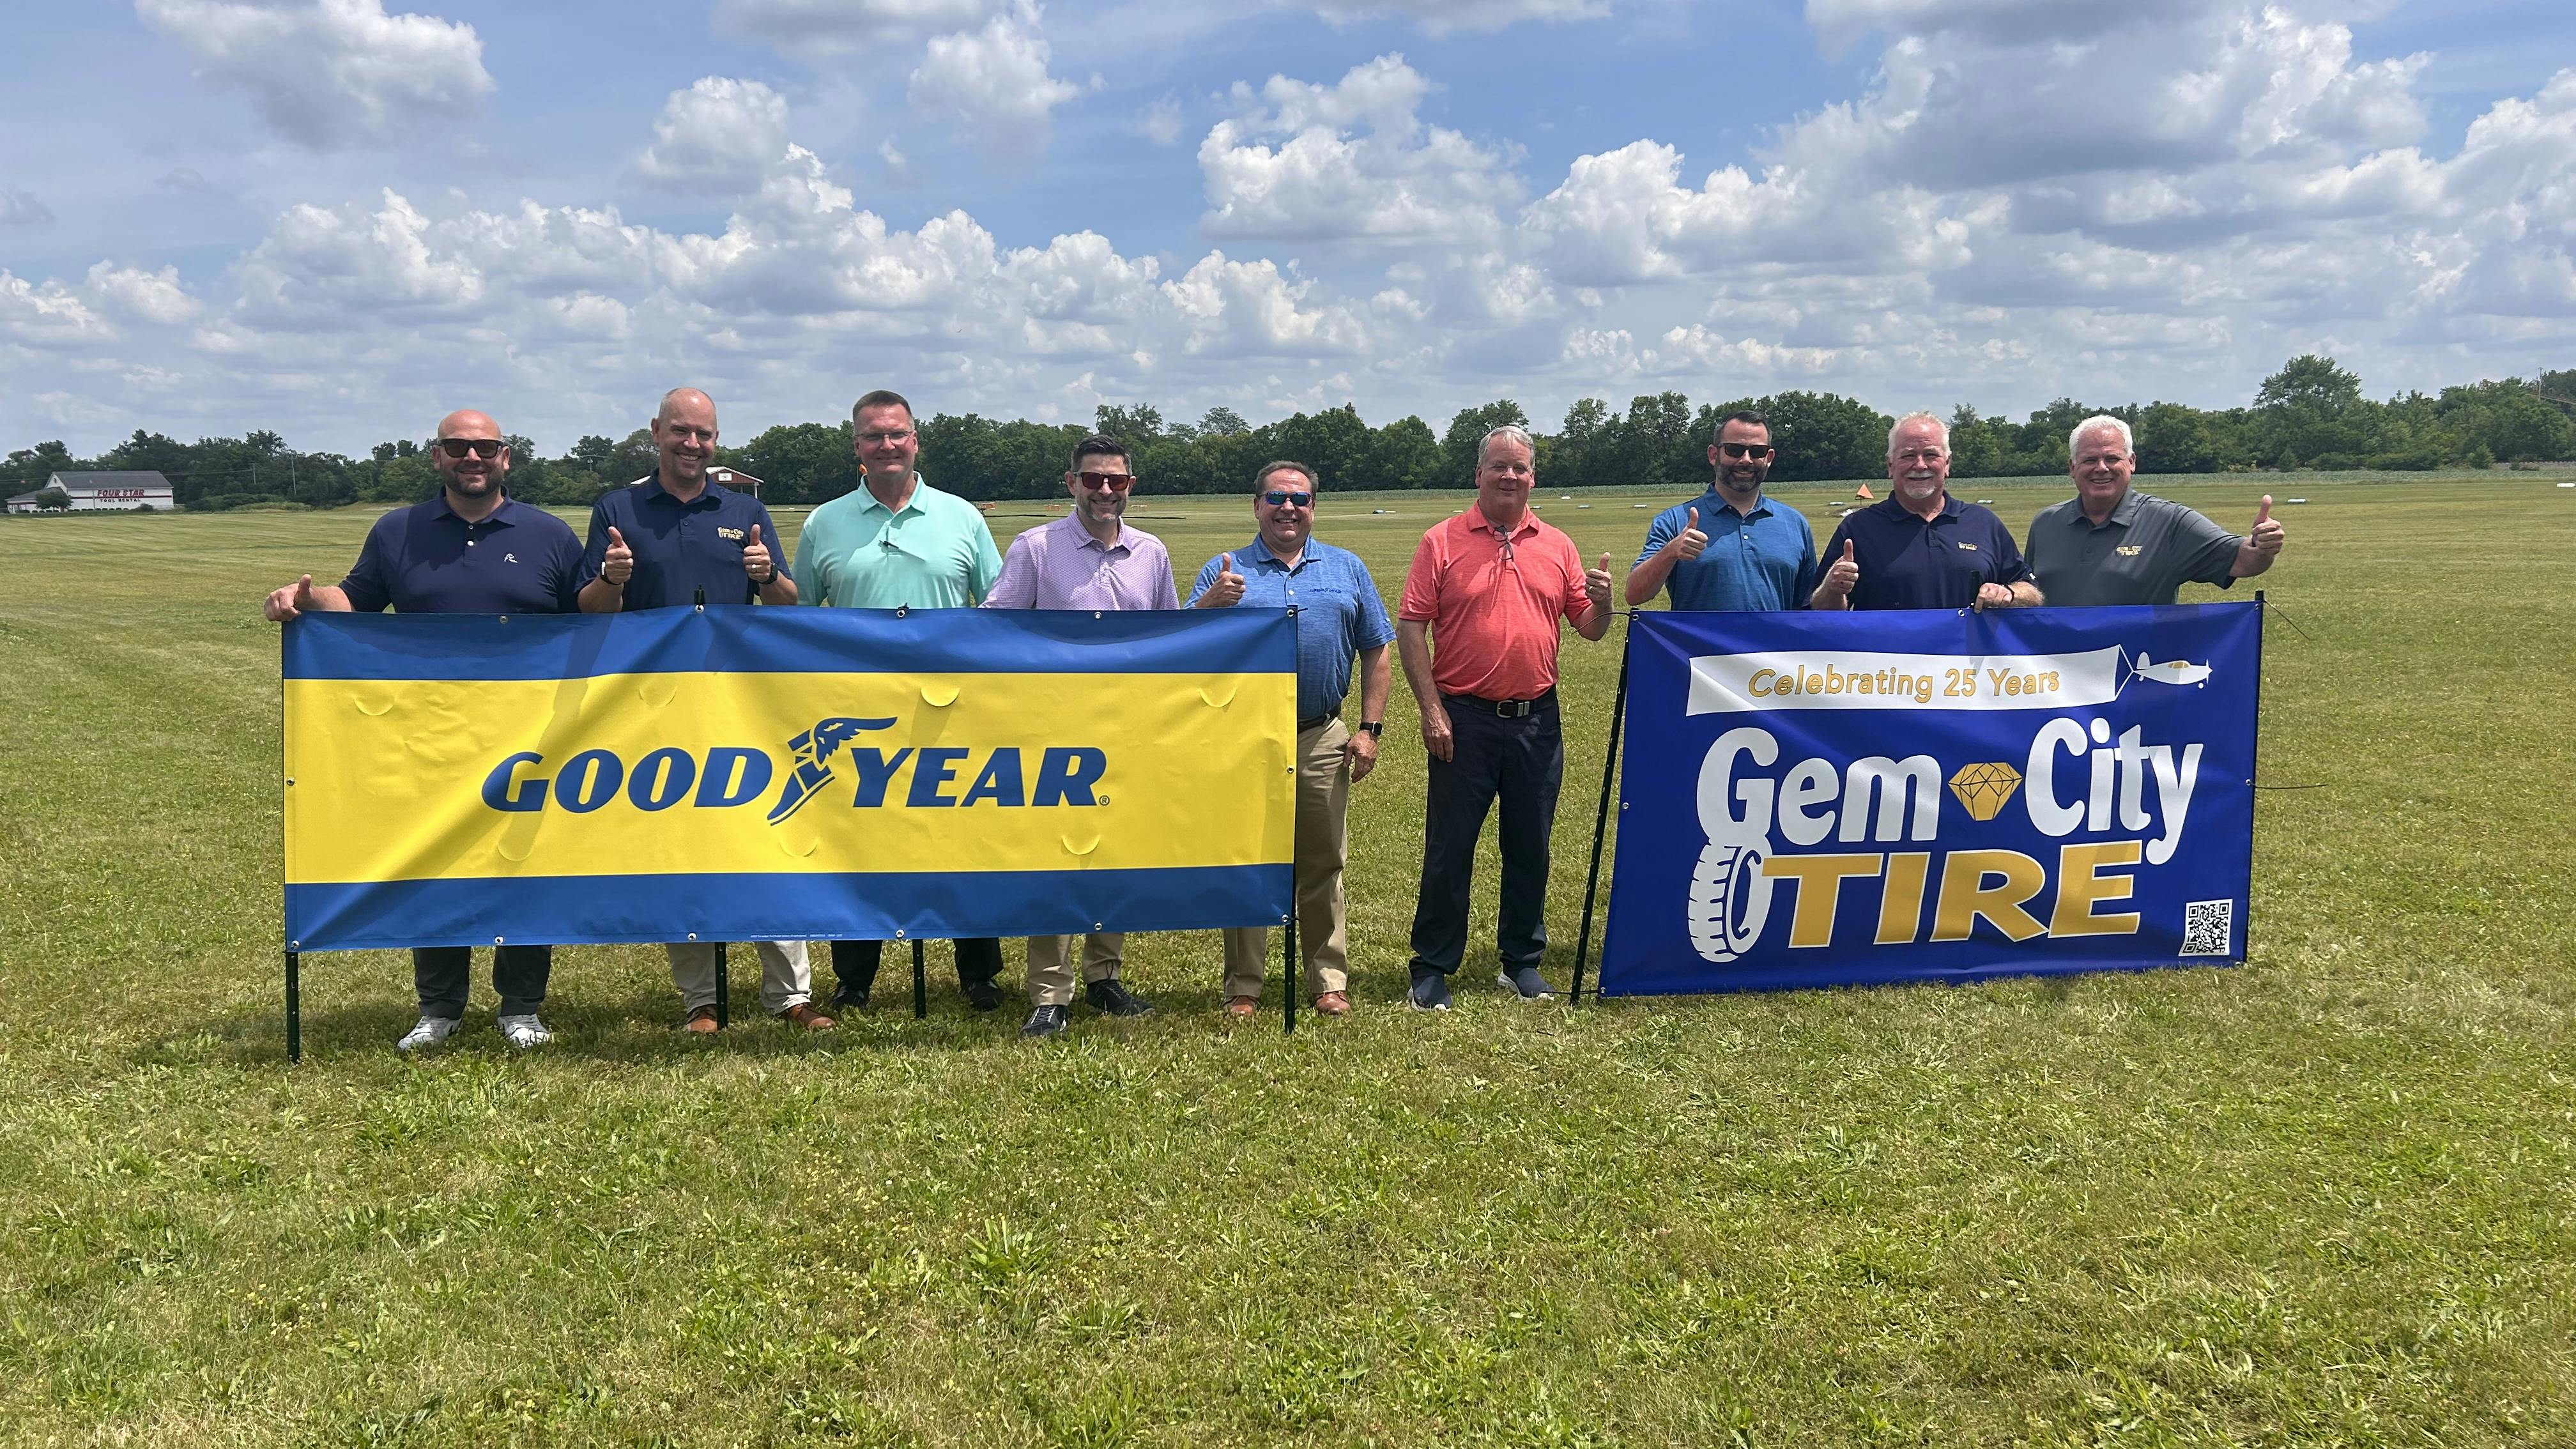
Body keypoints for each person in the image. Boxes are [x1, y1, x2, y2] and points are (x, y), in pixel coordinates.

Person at [261, 410, 582, 1054]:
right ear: (436, 456)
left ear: (506, 457)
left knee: (522, 863)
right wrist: (306, 599)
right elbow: (355, 598)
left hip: (530, 737)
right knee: (437, 863)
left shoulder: (548, 534)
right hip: (431, 732)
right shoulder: (397, 532)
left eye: (484, 447)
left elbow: (591, 619)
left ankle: (522, 1007)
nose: (472, 457)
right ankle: (438, 1008)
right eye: (458, 447)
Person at [578, 387, 833, 1035]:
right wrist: (611, 578)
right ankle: (701, 1001)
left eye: (705, 434)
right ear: (655, 432)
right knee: (682, 845)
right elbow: (587, 611)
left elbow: (786, 603)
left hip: (741, 704)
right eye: (681, 432)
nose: (693, 444)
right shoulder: (618, 508)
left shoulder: (744, 508)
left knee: (769, 837)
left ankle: (791, 997)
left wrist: (763, 574)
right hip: (655, 707)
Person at [792, 388, 1009, 1013]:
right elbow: (801, 617)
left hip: (951, 709)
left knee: (963, 842)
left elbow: (995, 608)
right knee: (859, 843)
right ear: (856, 447)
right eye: (873, 436)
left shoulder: (961, 516)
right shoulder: (824, 523)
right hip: (860, 715)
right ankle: (855, 977)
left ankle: (979, 972)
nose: (886, 445)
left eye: (897, 434)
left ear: (915, 441)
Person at [1395, 425, 1614, 1010]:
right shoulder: (1440, 541)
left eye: (1520, 468)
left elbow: (1589, 628)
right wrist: (1430, 710)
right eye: (1499, 466)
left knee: (1531, 846)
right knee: (1450, 847)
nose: (1510, 476)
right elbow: (1412, 624)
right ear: (1479, 474)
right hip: (1462, 718)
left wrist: (1605, 599)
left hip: (1537, 720)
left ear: (1532, 477)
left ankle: (1520, 962)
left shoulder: (1557, 544)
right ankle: (1432, 967)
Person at [981, 433, 1179, 1038]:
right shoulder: (1035, 548)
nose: (1105, 491)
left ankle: (1104, 976)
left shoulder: (1152, 553)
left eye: (1116, 481)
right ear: (1072, 484)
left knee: (1115, 854)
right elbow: (995, 627)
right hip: (1053, 730)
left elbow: (1173, 641)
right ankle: (1049, 990)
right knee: (1055, 858)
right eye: (1093, 480)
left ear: (1130, 487)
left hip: (1128, 730)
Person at [1186, 461, 1394, 1020]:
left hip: (1321, 732)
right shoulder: (1225, 570)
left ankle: (1329, 980)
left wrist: (1369, 729)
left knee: (1323, 861)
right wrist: (1210, 606)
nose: (1288, 508)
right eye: (1276, 497)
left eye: (1300, 499)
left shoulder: (1346, 568)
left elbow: (1377, 649)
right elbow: (1181, 648)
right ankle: (1244, 987)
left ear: (1313, 508)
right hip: (1244, 736)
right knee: (1249, 857)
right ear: (1256, 506)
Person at [2024, 415, 2286, 605]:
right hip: (2059, 675)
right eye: (2090, 460)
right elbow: (2029, 591)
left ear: (2132, 462)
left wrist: (2262, 546)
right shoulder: (2046, 524)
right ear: (2072, 468)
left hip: (2133, 670)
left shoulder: (2170, 522)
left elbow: (2243, 560)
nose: (2101, 468)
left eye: (2112, 458)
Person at [1813, 411, 2042, 611]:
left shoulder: (1984, 522)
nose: (1920, 465)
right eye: (1908, 456)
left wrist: (2008, 594)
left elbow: (2033, 594)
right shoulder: (1858, 528)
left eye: (1931, 455)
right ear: (1890, 465)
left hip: (1965, 661)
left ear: (1948, 463)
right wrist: (1833, 589)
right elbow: (1819, 612)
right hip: (1890, 661)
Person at [1624, 410, 1819, 611]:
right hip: (1699, 644)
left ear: (1769, 458)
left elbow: (1808, 606)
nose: (1746, 460)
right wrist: (1670, 552)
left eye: (1757, 452)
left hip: (1774, 643)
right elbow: (1634, 594)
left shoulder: (1795, 523)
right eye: (1734, 450)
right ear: (1713, 455)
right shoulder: (1674, 521)